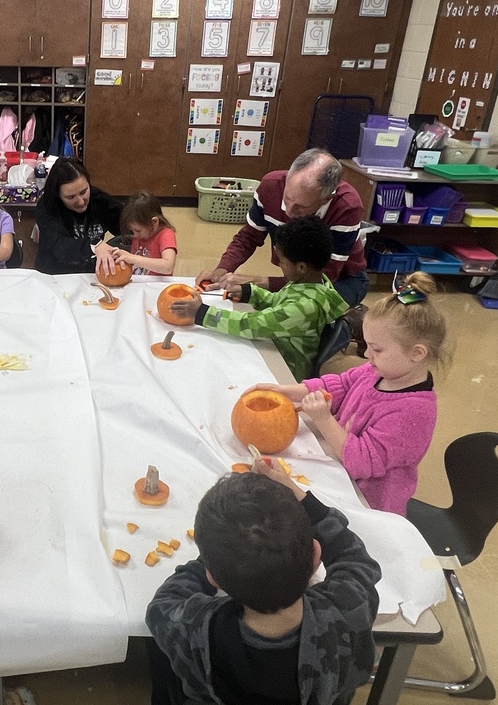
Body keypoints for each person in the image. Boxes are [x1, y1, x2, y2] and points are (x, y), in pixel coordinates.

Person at [146, 461, 381, 705]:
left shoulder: (195, 628)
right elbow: (354, 557)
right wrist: (301, 497)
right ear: (315, 556)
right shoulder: (348, 607)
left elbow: (162, 605)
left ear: (212, 578)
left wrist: (215, 559)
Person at [250, 271, 449, 516]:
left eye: (377, 349)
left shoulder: (413, 412)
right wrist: (287, 391)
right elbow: (341, 385)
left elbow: (360, 462)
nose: (367, 356)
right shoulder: (379, 371)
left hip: (366, 502)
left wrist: (324, 419)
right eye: (367, 346)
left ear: (417, 353)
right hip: (339, 469)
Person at [169, 216, 350, 381]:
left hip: (283, 369)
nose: (279, 265)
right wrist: (250, 293)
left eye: (281, 261)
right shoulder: (312, 283)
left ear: (301, 267)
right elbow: (279, 302)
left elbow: (250, 325)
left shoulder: (305, 307)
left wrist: (202, 313)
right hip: (273, 343)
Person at [195, 148, 369, 308]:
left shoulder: (347, 206)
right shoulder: (270, 185)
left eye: (301, 207)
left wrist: (260, 282)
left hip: (343, 279)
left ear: (326, 199)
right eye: (287, 198)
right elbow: (248, 238)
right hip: (297, 277)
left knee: (307, 316)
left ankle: (351, 321)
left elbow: (325, 277)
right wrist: (222, 269)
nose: (289, 211)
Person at [34, 156, 123, 276]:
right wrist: (94, 245)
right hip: (54, 276)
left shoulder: (100, 201)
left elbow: (126, 225)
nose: (81, 201)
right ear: (58, 195)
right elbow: (60, 246)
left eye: (84, 192)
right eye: (71, 197)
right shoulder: (47, 207)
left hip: (91, 275)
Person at [112, 191, 177, 276]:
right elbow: (134, 264)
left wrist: (132, 258)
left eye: (138, 231)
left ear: (154, 222)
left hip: (157, 286)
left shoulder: (166, 235)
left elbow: (168, 267)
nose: (135, 235)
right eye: (132, 231)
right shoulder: (141, 236)